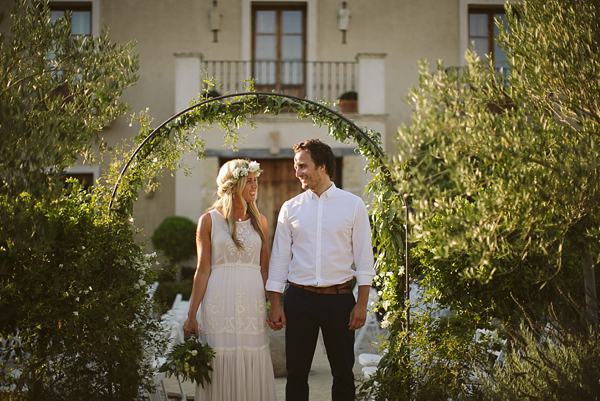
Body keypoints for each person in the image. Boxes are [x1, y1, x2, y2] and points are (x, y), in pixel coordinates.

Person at [266, 139, 375, 401]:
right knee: (296, 374)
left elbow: (364, 258)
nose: (297, 172)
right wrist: (276, 304)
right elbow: (279, 259)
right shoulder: (290, 208)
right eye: (295, 166)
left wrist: (362, 304)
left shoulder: (353, 205)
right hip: (299, 299)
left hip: (339, 300)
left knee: (343, 374)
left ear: (322, 166)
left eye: (303, 166)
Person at [183, 159, 277, 401]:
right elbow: (202, 271)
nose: (255, 186)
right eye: (249, 181)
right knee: (219, 359)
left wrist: (276, 305)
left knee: (252, 356)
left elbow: (265, 270)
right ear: (233, 186)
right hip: (218, 304)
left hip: (252, 305)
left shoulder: (261, 223)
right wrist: (191, 315)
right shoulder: (208, 221)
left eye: (257, 181)